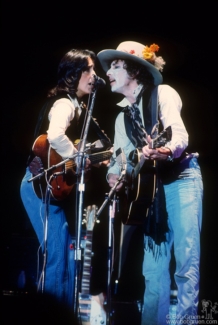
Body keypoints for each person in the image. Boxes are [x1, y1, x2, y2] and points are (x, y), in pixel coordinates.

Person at [97, 41, 203, 324]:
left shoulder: (162, 94)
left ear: (134, 70)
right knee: (153, 271)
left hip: (182, 179)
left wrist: (165, 150)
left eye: (116, 66)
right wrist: (114, 176)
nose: (108, 72)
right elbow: (119, 161)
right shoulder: (122, 117)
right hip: (151, 193)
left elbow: (178, 134)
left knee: (185, 264)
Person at [20, 49, 111, 310]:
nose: (95, 76)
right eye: (90, 70)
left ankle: (64, 312)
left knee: (70, 257)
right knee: (58, 255)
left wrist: (93, 157)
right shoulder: (64, 103)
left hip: (57, 189)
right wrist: (77, 157)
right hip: (39, 188)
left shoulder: (79, 107)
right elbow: (56, 136)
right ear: (75, 73)